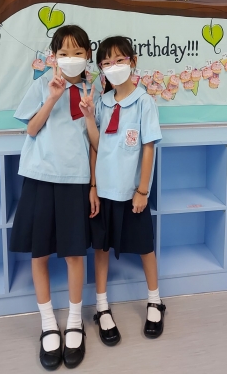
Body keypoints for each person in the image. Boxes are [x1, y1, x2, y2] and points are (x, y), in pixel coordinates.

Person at [10, 25, 99, 370]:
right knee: (40, 254)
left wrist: (93, 185)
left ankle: (75, 321)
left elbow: (96, 144)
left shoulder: (94, 89)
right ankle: (48, 322)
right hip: (39, 177)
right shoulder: (42, 84)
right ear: (54, 56)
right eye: (64, 52)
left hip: (75, 180)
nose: (71, 58)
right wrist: (52, 97)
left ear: (88, 55)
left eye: (78, 52)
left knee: (75, 253)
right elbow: (31, 129)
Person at [79, 35, 166, 347]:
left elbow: (148, 148)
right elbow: (97, 145)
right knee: (101, 248)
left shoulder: (144, 103)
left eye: (118, 60)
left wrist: (142, 190)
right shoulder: (103, 103)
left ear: (133, 62)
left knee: (145, 247)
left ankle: (155, 300)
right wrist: (93, 186)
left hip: (132, 194)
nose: (112, 67)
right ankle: (101, 307)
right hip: (104, 192)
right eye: (106, 63)